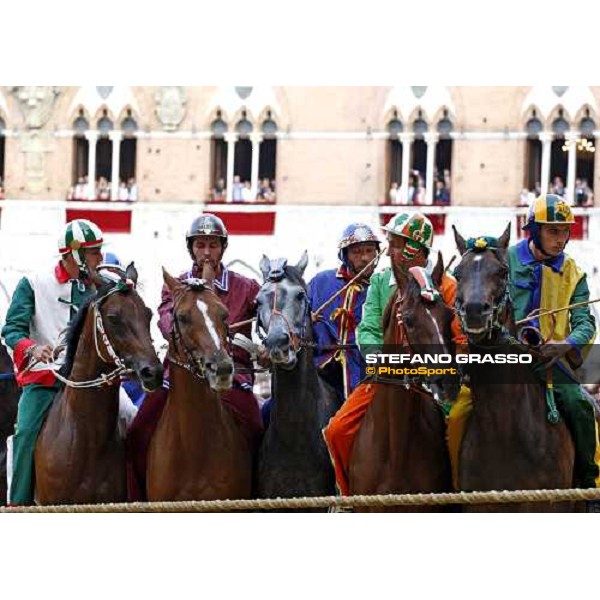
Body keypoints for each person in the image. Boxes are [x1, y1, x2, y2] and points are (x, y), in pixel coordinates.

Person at [448, 194, 600, 490]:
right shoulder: (503, 260)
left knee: (581, 405)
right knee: (455, 415)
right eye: (552, 231)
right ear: (533, 230)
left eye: (565, 231)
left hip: (550, 362)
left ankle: (588, 485)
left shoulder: (575, 273)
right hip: (500, 357)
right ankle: (452, 490)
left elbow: (585, 322)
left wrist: (566, 343)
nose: (561, 239)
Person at [322, 212, 467, 496]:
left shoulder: (447, 286)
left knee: (459, 428)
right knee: (336, 430)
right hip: (386, 376)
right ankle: (348, 497)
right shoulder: (380, 283)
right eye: (391, 242)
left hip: (437, 377)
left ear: (416, 247)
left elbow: (459, 337)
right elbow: (368, 329)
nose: (390, 250)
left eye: (398, 243)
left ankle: (457, 495)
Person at [126, 213, 265, 500]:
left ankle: (257, 502)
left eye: (213, 245)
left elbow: (266, 319)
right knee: (137, 432)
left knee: (258, 430)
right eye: (200, 245)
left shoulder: (247, 286)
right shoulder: (175, 286)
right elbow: (165, 321)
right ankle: (138, 503)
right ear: (191, 248)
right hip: (178, 380)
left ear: (222, 248)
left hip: (231, 377)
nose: (206, 252)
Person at [1, 219, 105, 505]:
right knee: (25, 433)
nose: (101, 257)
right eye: (94, 252)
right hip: (46, 378)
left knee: (130, 418)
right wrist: (33, 348)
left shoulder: (99, 287)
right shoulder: (33, 283)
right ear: (75, 254)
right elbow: (11, 330)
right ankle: (18, 504)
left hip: (91, 381)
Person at [307, 223, 380, 404]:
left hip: (363, 372)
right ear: (344, 256)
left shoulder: (383, 287)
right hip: (320, 369)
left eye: (369, 251)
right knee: (271, 409)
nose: (364, 258)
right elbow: (298, 319)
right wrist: (306, 320)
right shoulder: (320, 281)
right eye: (357, 252)